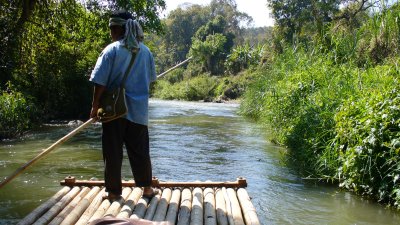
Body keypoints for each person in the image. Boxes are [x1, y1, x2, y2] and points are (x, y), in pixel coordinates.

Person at [89, 10, 157, 200]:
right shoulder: (146, 51)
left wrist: (94, 106)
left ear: (121, 28)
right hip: (139, 111)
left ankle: (113, 192)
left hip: (114, 111)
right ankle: (147, 189)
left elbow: (100, 82)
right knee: (140, 151)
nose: (111, 32)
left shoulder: (111, 50)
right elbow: (150, 81)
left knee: (112, 151)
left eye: (113, 28)